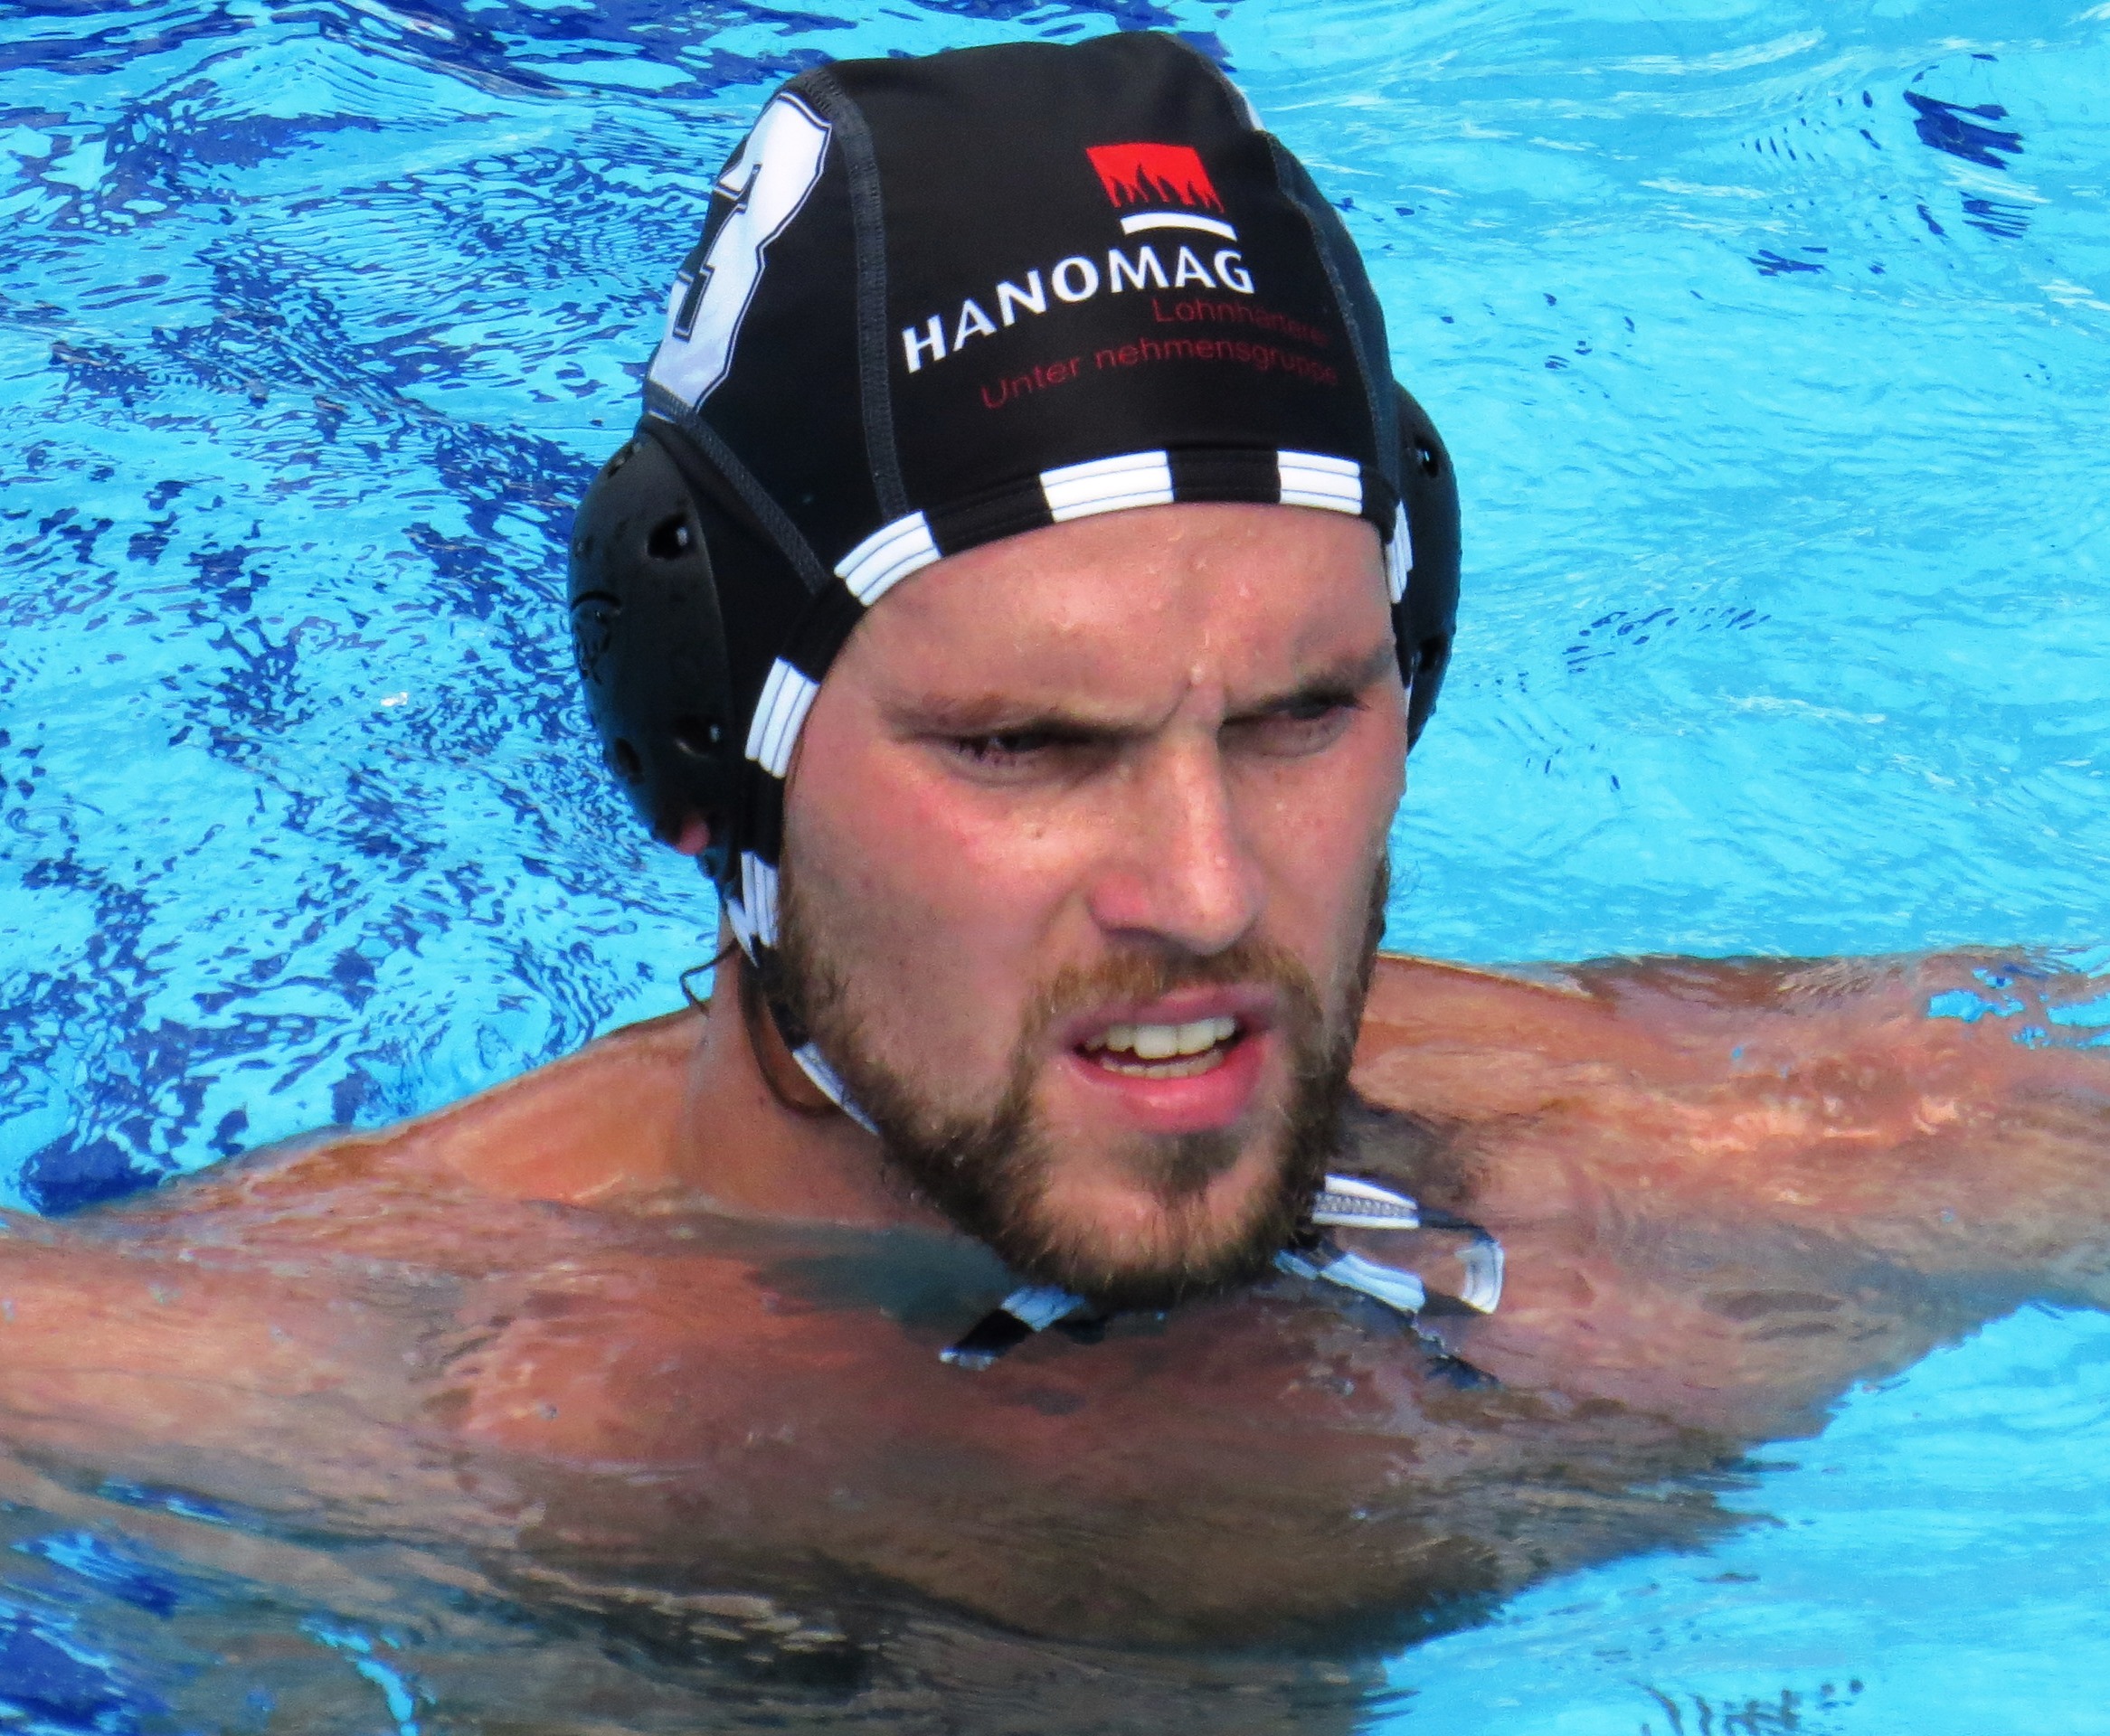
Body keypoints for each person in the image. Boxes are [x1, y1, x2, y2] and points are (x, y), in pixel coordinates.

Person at [0, 30, 2105, 1730]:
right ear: (708, 763)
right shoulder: (348, 1376)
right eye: (1024, 745)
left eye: (1301, 715)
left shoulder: (1787, 1166)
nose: (1204, 889)